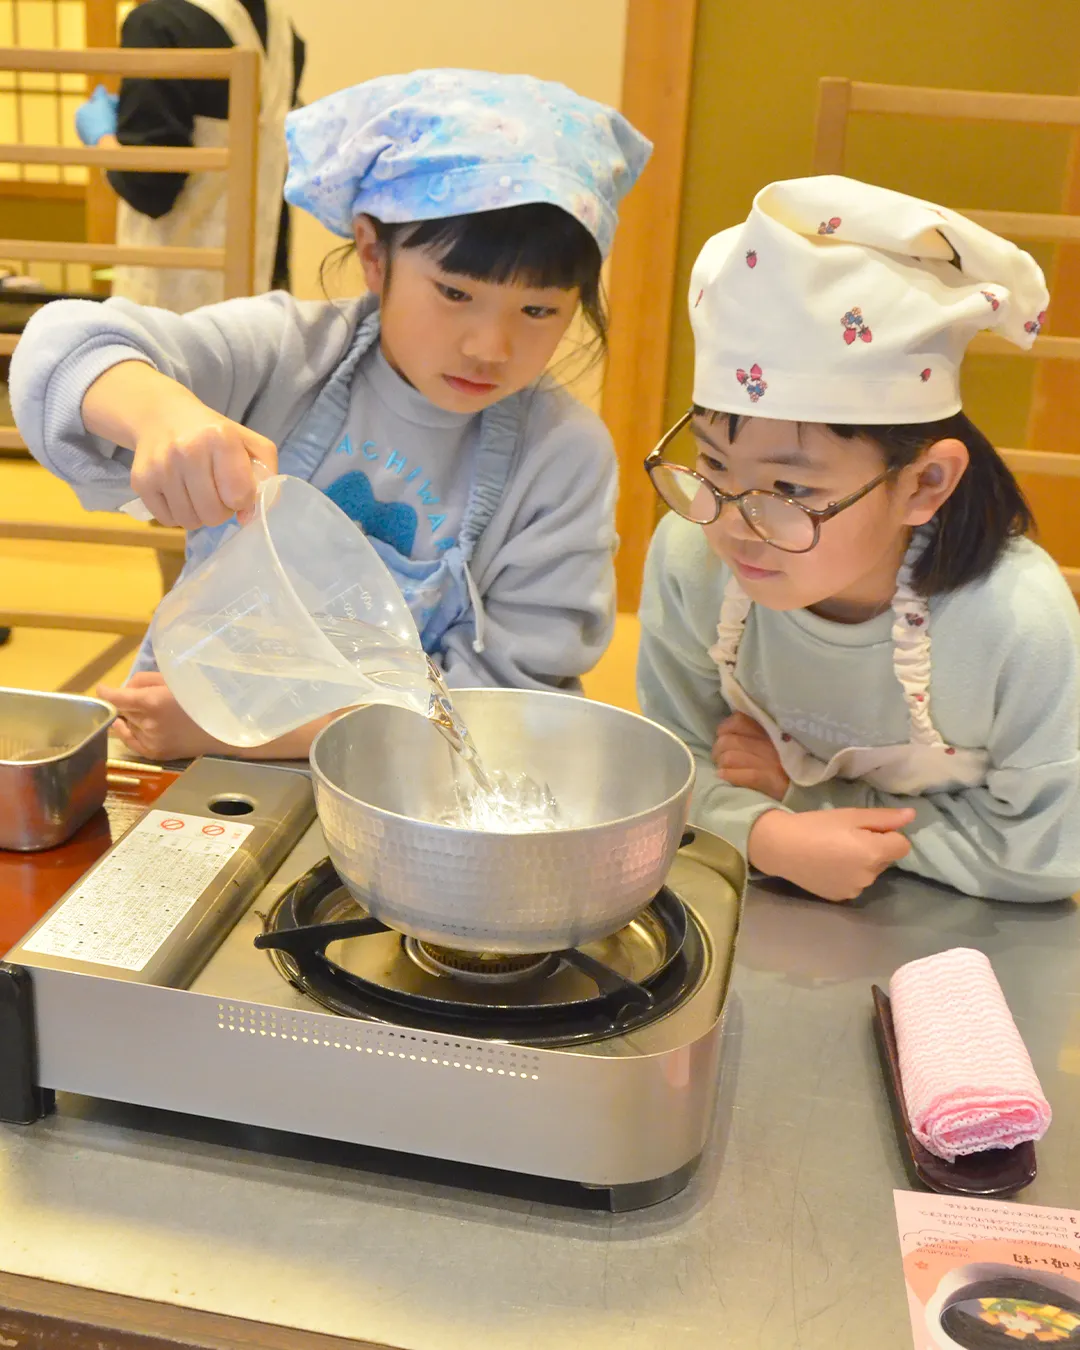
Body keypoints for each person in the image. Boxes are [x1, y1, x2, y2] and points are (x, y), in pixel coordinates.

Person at [14, 70, 651, 762]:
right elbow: (60, 346)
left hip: (414, 791)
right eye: (454, 293)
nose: (489, 347)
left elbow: (510, 709)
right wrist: (160, 412)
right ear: (375, 254)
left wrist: (248, 731)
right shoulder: (288, 355)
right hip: (186, 760)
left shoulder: (564, 456)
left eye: (538, 309)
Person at [638, 175, 1080, 905]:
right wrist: (767, 837)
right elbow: (664, 766)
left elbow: (1050, 854)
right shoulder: (692, 556)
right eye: (712, 466)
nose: (733, 524)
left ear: (924, 484)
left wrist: (803, 799)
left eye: (790, 490)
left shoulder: (1015, 625)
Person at [74, 0, 303, 311]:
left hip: (170, 297)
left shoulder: (159, 24)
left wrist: (101, 139)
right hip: (259, 295)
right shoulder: (285, 36)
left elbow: (150, 189)